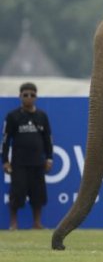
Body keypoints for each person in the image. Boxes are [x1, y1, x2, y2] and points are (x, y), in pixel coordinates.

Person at [2, 82, 53, 230]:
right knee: (17, 193)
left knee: (38, 194)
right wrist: (5, 160)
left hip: (38, 162)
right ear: (20, 96)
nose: (29, 98)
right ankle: (13, 223)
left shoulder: (42, 116)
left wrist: (49, 158)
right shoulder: (13, 116)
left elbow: (48, 139)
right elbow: (5, 140)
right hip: (19, 163)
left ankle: (37, 223)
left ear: (36, 97)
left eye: (32, 95)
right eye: (25, 95)